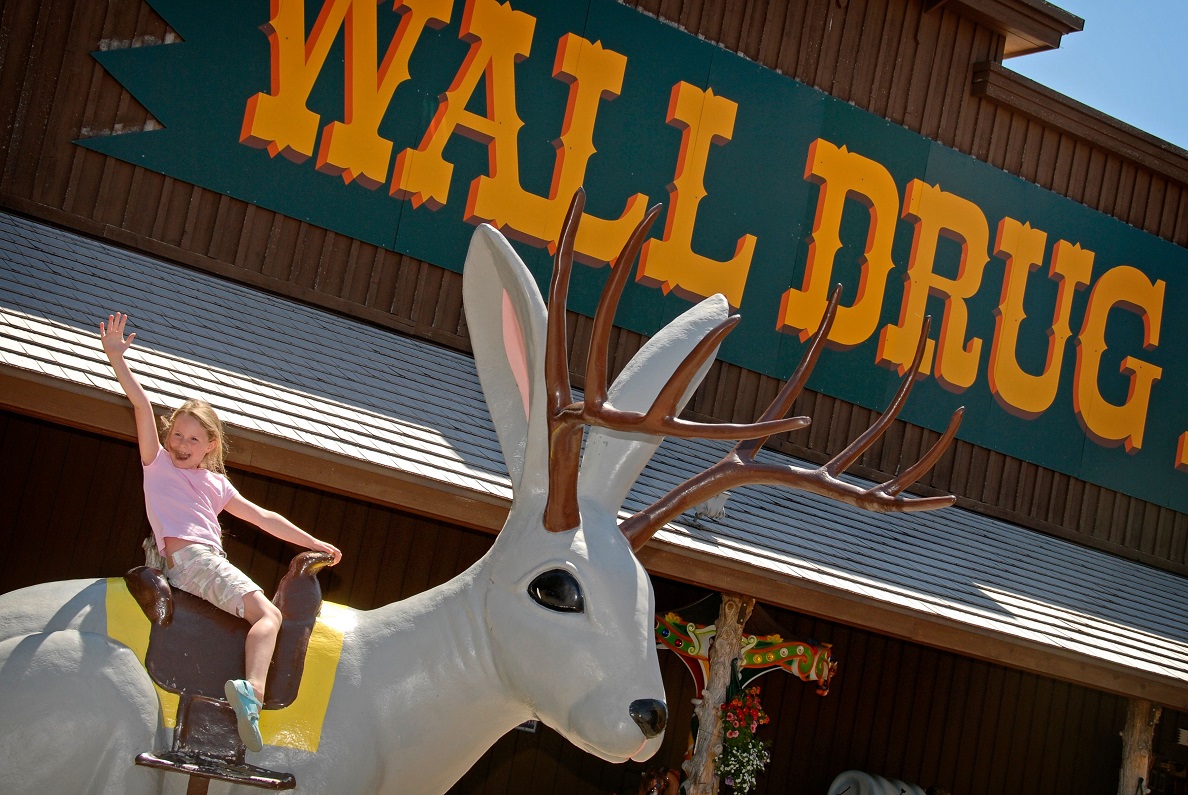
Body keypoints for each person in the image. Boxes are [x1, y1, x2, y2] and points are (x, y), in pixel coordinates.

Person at [99, 312, 342, 753]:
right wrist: (118, 359)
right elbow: (140, 404)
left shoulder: (215, 484)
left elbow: (263, 517)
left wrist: (312, 542)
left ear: (211, 444)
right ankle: (252, 691)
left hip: (202, 562)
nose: (181, 444)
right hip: (193, 560)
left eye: (193, 439)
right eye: (177, 434)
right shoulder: (157, 464)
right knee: (269, 617)